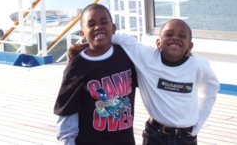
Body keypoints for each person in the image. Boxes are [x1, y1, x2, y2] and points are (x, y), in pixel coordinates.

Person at [68, 19, 220, 145]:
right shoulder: (146, 57)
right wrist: (87, 45)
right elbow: (121, 37)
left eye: (182, 36)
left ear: (190, 45)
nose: (175, 38)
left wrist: (198, 124)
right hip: (155, 135)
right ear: (158, 42)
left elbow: (211, 90)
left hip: (185, 138)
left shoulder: (198, 66)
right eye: (169, 34)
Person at [53, 3, 138, 145]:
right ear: (82, 33)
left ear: (113, 28)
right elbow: (67, 110)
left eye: (104, 22)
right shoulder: (77, 66)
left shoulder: (127, 55)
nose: (98, 26)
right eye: (91, 24)